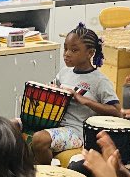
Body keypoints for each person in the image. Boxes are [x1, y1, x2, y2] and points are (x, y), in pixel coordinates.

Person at [26, 26, 121, 165]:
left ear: (90, 53)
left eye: (74, 50)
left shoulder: (100, 81)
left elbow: (117, 112)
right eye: (65, 49)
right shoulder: (64, 73)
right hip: (55, 123)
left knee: (40, 139)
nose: (67, 54)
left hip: (76, 131)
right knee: (12, 125)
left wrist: (83, 100)